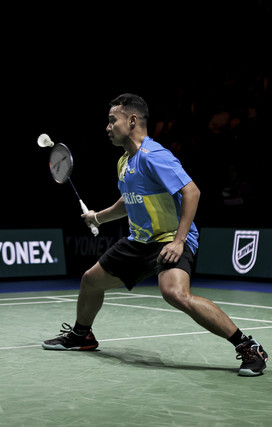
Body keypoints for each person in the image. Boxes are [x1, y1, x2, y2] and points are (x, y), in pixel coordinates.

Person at [42, 93, 268, 376]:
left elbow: (192, 191)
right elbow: (127, 201)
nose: (108, 127)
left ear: (132, 120)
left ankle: (248, 346)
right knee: (90, 281)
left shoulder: (154, 156)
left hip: (169, 238)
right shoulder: (125, 161)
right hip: (139, 241)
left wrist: (179, 240)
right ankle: (82, 335)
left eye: (113, 120)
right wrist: (98, 217)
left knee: (175, 293)